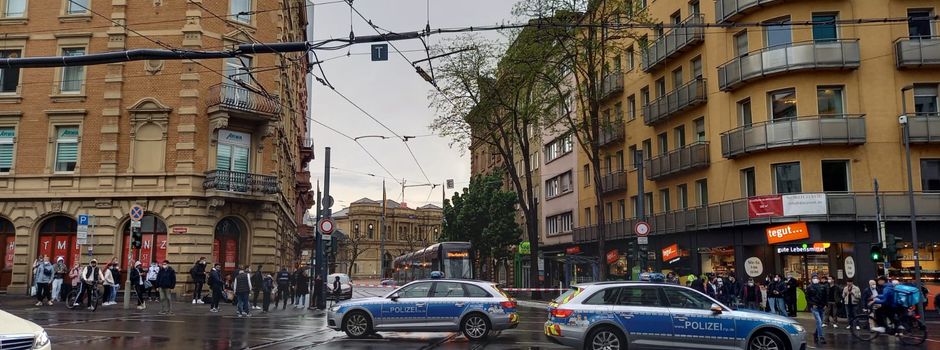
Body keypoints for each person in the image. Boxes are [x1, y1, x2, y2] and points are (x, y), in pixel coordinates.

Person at [806, 275, 828, 345]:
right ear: (811, 279)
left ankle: (816, 333)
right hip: (814, 307)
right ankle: (821, 336)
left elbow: (825, 296)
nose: (815, 279)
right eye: (813, 278)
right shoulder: (809, 287)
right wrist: (812, 304)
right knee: (819, 321)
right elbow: (807, 298)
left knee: (820, 322)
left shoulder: (822, 287)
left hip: (821, 306)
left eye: (816, 278)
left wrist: (825, 304)